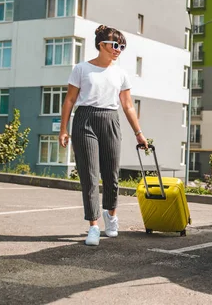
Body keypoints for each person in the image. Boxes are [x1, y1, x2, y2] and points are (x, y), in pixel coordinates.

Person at [59, 25, 147, 246]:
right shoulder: (81, 69)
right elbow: (69, 100)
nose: (118, 49)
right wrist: (63, 129)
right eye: (115, 45)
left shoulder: (121, 74)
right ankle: (93, 226)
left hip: (110, 119)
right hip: (85, 119)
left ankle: (111, 216)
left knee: (112, 174)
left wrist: (139, 133)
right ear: (101, 44)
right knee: (89, 176)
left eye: (122, 46)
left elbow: (128, 106)